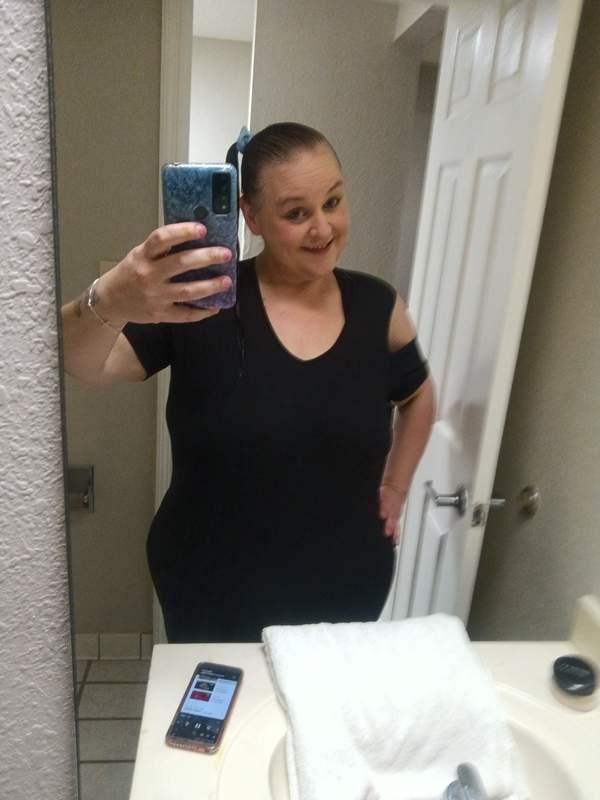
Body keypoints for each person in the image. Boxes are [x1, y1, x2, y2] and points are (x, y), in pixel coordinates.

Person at [61, 122, 435, 643]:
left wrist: (396, 485)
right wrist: (110, 297)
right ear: (251, 216)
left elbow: (419, 395)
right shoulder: (199, 301)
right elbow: (80, 363)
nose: (323, 229)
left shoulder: (379, 306)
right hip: (210, 584)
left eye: (332, 202)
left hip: (346, 583)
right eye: (296, 213)